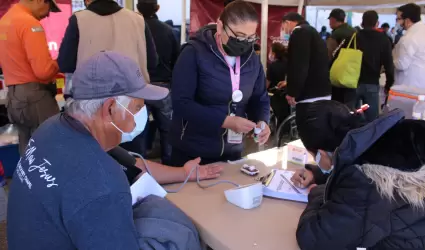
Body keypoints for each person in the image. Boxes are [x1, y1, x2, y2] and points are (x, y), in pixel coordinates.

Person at [6, 51, 214, 249]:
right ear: (110, 108)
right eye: (137, 107)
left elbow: (133, 165)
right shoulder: (101, 183)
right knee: (174, 230)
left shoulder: (54, 128)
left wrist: (183, 173)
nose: (140, 114)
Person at [290, 100, 425, 250]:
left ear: (321, 154)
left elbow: (314, 239)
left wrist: (318, 192)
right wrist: (316, 173)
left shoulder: (364, 181)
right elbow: (349, 163)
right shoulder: (382, 140)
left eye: (313, 156)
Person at [170, 0, 270, 166]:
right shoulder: (193, 53)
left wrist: (262, 120)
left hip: (233, 151)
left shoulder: (252, 59)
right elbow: (181, 103)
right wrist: (225, 121)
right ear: (219, 26)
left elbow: (260, 97)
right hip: (193, 151)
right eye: (238, 37)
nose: (244, 43)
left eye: (250, 38)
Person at [0, 0, 61, 155]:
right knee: (51, 147)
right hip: (35, 98)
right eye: (49, 8)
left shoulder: (5, 20)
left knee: (27, 151)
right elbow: (43, 71)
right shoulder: (29, 23)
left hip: (14, 97)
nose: (48, 14)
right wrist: (60, 61)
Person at [58, 0, 157, 84]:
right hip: (132, 98)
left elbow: (65, 64)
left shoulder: (78, 20)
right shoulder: (138, 20)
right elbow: (152, 62)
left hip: (92, 98)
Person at [137, 0, 180, 165]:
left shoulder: (135, 30)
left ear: (138, 8)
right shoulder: (169, 31)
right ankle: (169, 165)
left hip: (139, 86)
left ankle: (139, 168)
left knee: (138, 130)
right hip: (163, 87)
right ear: (157, 8)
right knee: (168, 131)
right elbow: (177, 61)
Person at [281, 13, 331, 131]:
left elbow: (299, 65)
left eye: (283, 27)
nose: (284, 31)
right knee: (318, 132)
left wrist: (292, 91)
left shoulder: (299, 32)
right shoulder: (313, 32)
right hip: (321, 91)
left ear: (287, 22)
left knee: (308, 134)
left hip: (309, 95)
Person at [354, 11, 394, 122]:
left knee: (352, 118)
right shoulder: (383, 39)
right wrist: (388, 84)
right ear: (377, 23)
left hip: (352, 82)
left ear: (362, 22)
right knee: (371, 120)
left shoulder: (354, 36)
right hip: (371, 83)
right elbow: (389, 64)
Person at [327, 8, 357, 109]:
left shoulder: (336, 34)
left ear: (333, 19)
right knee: (349, 105)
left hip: (337, 73)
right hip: (352, 73)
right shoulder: (354, 31)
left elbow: (329, 54)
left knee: (336, 103)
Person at [393, 3, 425, 88]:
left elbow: (401, 64)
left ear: (407, 21)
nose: (397, 22)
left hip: (409, 86)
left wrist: (390, 60)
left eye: (398, 19)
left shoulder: (409, 38)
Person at [267, 42, 289, 124]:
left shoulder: (272, 66)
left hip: (275, 95)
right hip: (287, 94)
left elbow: (267, 84)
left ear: (273, 53)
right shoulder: (289, 63)